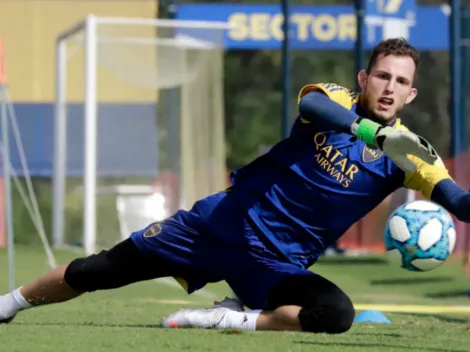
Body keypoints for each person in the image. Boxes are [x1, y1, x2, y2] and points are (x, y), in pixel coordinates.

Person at [0, 38, 468, 334]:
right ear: (364, 78)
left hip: (276, 264)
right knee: (94, 271)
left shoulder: (409, 152)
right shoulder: (335, 98)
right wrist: (371, 132)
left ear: (411, 95)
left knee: (335, 315)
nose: (389, 87)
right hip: (218, 224)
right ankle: (8, 303)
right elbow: (317, 112)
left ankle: (234, 317)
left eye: (400, 82)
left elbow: (457, 201)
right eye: (382, 75)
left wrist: (400, 149)